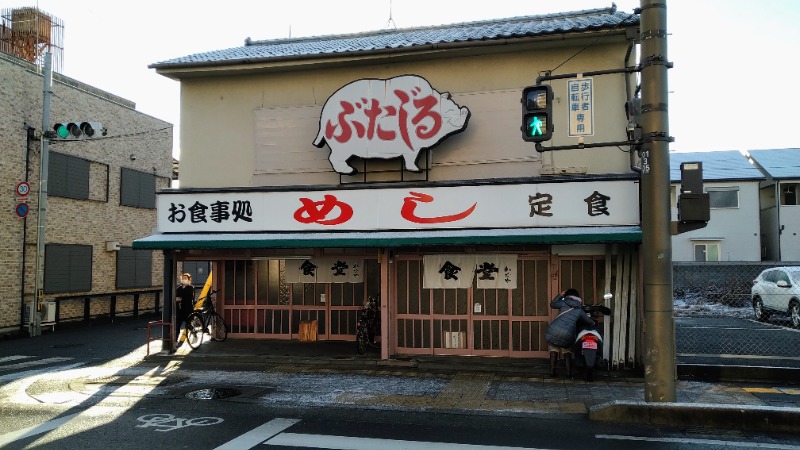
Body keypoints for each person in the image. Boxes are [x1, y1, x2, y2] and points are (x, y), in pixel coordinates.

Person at [545, 288, 595, 378]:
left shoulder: (563, 302)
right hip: (567, 334)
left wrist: (560, 295)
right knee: (566, 351)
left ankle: (552, 373)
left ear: (567, 295)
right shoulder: (579, 309)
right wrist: (594, 322)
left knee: (554, 349)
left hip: (553, 330)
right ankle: (568, 374)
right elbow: (589, 321)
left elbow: (552, 304)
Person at [175, 273, 195, 346]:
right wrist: (176, 299)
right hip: (179, 310)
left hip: (188, 309)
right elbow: (175, 296)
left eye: (185, 278)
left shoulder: (191, 288)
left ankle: (193, 332)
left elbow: (189, 297)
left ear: (189, 280)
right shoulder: (178, 288)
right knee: (177, 326)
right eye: (183, 278)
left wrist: (180, 298)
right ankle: (175, 341)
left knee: (188, 325)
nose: (184, 280)